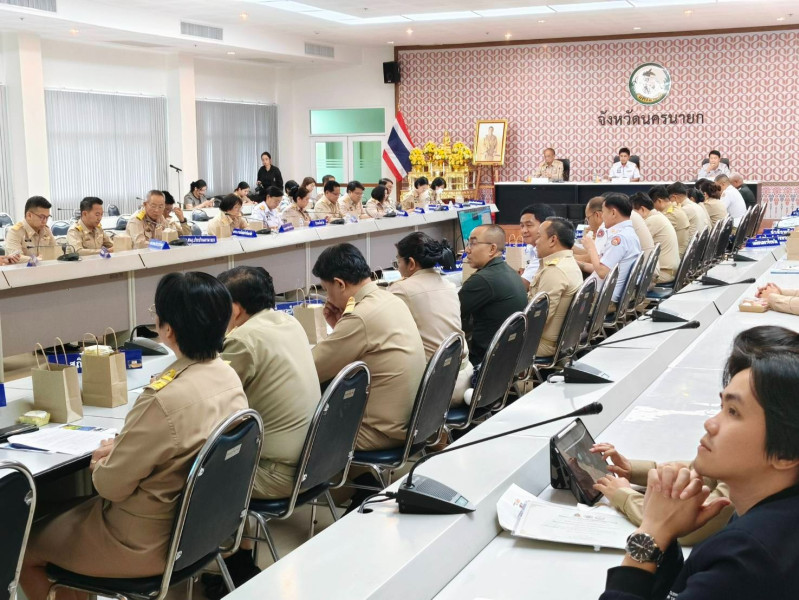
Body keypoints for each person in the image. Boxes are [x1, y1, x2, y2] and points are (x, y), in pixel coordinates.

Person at [19, 272, 248, 600]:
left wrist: (104, 461)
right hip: (201, 531)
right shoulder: (227, 376)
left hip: (142, 543)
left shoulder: (163, 399)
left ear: (168, 329)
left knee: (22, 545)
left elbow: (109, 486)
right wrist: (127, 449)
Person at [598, 325, 799, 600]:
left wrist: (650, 533)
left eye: (733, 412)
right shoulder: (770, 516)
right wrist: (665, 534)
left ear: (786, 454)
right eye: (721, 407)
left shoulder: (748, 558)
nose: (710, 423)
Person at [311, 243, 426, 450]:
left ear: (340, 284)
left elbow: (312, 370)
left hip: (380, 431)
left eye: (327, 290)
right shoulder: (389, 298)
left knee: (299, 430)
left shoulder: (360, 316)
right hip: (413, 421)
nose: (328, 298)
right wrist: (340, 327)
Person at [218, 266, 319, 499]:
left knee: (179, 477)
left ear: (235, 309)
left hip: (273, 474)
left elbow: (209, 399)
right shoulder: (290, 322)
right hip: (314, 462)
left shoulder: (243, 340)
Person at [390, 232, 473, 405]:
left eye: (398, 262)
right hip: (465, 377)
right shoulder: (449, 285)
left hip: (437, 387)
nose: (398, 268)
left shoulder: (401, 289)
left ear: (411, 263)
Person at [459, 224, 528, 366]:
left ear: (492, 249)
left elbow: (451, 315)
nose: (467, 250)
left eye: (473, 243)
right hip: (509, 356)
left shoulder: (482, 280)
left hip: (485, 361)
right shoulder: (509, 271)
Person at [527, 217, 583, 357]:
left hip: (542, 345)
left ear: (553, 240)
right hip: (560, 341)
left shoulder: (555, 271)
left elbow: (538, 319)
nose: (535, 242)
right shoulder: (568, 262)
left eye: (539, 236)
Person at [579, 193, 642, 312]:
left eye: (603, 212)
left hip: (603, 300)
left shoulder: (619, 239)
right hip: (606, 296)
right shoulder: (629, 233)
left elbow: (602, 272)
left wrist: (591, 248)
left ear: (613, 213)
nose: (602, 217)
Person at [631, 192, 679, 285]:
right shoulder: (658, 216)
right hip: (669, 271)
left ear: (642, 209)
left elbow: (634, 244)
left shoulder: (652, 221)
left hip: (663, 274)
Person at [518, 204, 556, 291]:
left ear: (545, 226)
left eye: (529, 225)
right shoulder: (530, 247)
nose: (524, 231)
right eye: (522, 226)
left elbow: (523, 286)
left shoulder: (546, 252)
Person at [650, 185, 691, 257]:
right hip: (682, 253)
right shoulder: (675, 209)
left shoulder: (670, 215)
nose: (652, 208)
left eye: (653, 205)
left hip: (678, 255)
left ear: (659, 201)